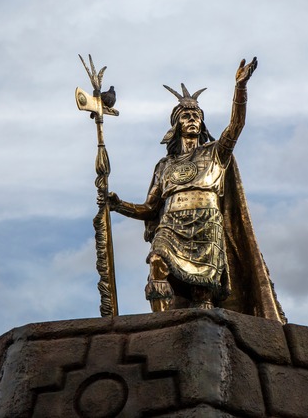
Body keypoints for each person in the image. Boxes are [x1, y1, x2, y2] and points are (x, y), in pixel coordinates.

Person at [108, 58, 286, 323]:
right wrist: (118, 204)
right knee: (156, 261)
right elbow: (150, 209)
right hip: (171, 224)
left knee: (203, 294)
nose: (192, 119)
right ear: (176, 124)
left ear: (201, 124)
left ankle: (207, 331)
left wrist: (240, 88)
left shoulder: (216, 152)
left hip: (207, 224)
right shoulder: (164, 166)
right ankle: (159, 326)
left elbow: (236, 126)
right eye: (186, 116)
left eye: (196, 116)